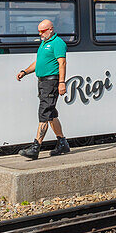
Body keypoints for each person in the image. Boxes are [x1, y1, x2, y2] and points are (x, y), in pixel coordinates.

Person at [16, 19, 70, 159]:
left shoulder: (58, 43)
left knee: (44, 112)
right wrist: (25, 71)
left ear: (51, 29)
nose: (40, 33)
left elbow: (62, 63)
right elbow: (38, 62)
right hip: (42, 82)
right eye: (39, 31)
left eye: (42, 31)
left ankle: (36, 147)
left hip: (51, 82)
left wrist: (62, 82)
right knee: (51, 114)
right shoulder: (44, 43)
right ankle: (62, 142)